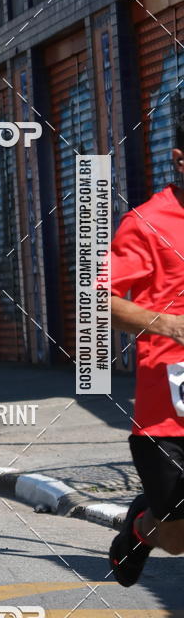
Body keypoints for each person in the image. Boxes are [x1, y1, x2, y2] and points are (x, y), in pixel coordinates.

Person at [109, 122, 184, 586]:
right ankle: (139, 530)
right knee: (177, 538)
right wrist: (169, 324)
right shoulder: (148, 220)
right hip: (166, 410)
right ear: (179, 158)